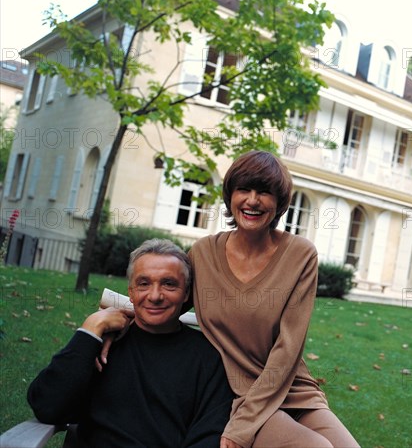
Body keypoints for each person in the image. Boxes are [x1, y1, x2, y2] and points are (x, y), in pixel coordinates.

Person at [189, 151, 360, 448]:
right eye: (244, 189)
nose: (252, 201)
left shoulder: (300, 255)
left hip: (292, 387)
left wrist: (244, 425)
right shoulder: (202, 254)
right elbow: (160, 305)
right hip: (236, 390)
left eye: (264, 192)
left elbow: (288, 347)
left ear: (279, 203)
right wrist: (105, 325)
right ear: (230, 195)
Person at [27, 239, 234, 448]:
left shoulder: (208, 357)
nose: (155, 296)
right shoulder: (100, 344)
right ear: (131, 292)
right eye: (144, 284)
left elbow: (208, 436)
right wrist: (91, 328)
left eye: (169, 284)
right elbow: (47, 406)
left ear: (186, 293)